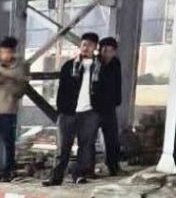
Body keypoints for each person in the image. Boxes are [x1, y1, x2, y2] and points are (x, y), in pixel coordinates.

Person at [45, 32, 101, 186]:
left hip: (90, 113)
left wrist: (98, 111)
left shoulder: (100, 68)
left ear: (95, 47)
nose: (86, 48)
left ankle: (79, 175)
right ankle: (56, 177)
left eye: (90, 45)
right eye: (84, 44)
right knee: (63, 147)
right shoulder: (69, 66)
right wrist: (61, 110)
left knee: (86, 146)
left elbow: (106, 91)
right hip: (68, 112)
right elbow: (62, 90)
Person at [0, 36, 28, 183]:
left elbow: (20, 92)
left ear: (13, 52)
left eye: (8, 52)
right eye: (3, 52)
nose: (5, 56)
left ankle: (9, 171)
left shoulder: (20, 69)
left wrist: (10, 80)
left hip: (9, 111)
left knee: (9, 143)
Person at [96, 36, 123, 176]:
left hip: (109, 107)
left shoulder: (116, 64)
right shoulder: (95, 64)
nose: (106, 52)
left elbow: (118, 83)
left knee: (112, 138)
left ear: (114, 52)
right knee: (88, 140)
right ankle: (87, 169)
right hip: (94, 108)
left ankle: (113, 166)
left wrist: (117, 101)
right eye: (103, 49)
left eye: (109, 50)